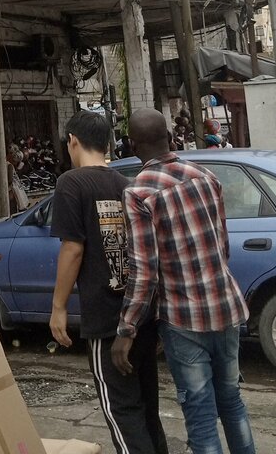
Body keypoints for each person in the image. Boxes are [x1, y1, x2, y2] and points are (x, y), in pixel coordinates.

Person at [112, 109, 255, 454]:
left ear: (132, 145)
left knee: (200, 413)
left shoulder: (138, 193)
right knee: (232, 401)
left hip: (183, 316)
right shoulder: (205, 175)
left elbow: (144, 271)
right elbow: (222, 243)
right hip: (226, 305)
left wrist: (126, 329)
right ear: (170, 138)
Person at [50, 111, 168, 454]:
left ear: (73, 141)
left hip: (105, 319)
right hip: (140, 315)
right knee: (147, 409)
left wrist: (58, 307)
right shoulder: (124, 183)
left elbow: (72, 249)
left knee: (121, 412)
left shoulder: (71, 183)